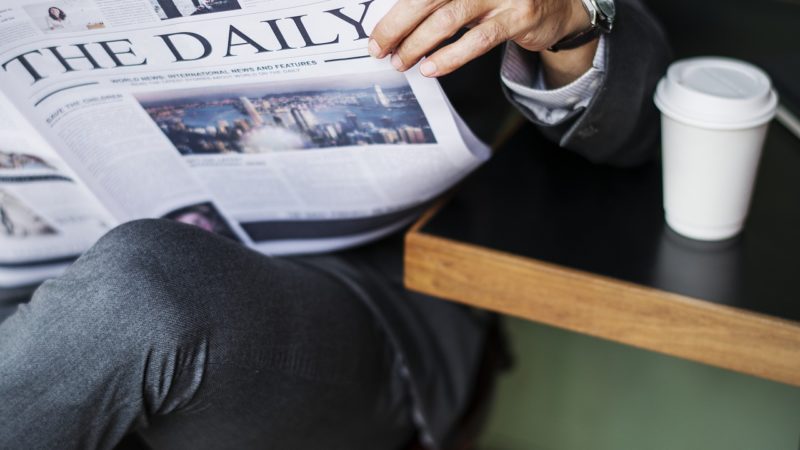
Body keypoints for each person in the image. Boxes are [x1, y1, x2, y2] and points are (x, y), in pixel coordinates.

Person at [0, 0, 671, 448]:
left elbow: (642, 126)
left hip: (351, 293)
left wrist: (574, 21)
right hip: (39, 247)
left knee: (135, 299)